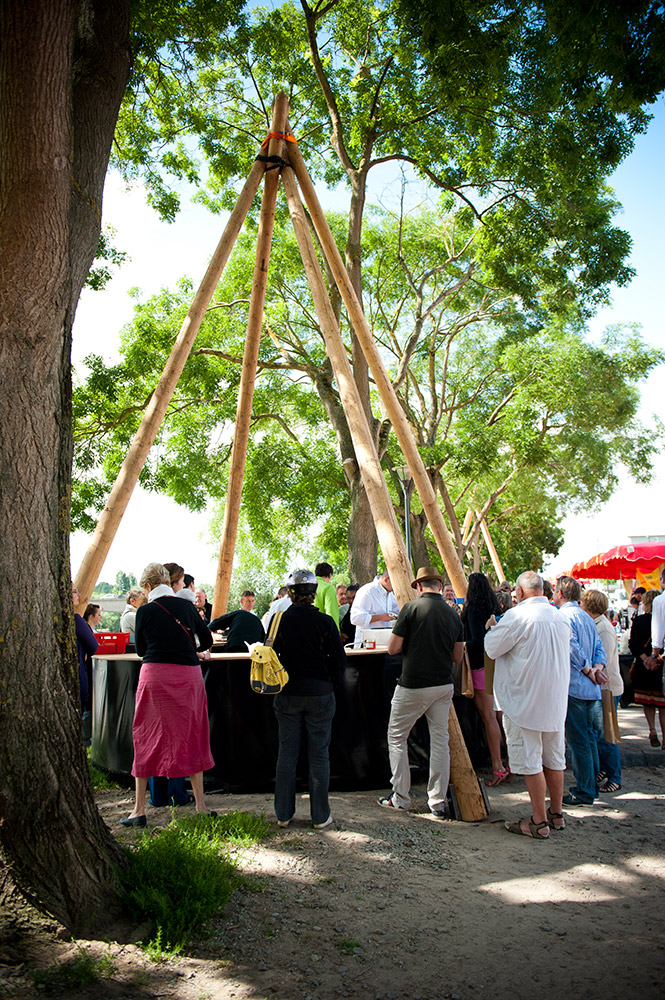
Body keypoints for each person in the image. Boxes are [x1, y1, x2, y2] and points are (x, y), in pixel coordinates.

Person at [121, 562, 215, 827]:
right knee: (193, 733)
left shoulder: (145, 611)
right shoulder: (186, 606)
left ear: (148, 586)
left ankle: (138, 809)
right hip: (188, 675)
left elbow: (140, 650)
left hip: (155, 676)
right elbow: (206, 641)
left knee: (146, 735)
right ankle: (201, 806)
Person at [485, 571, 571, 840]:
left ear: (519, 593)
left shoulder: (517, 616)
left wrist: (492, 627)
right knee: (554, 759)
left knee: (532, 761)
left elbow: (491, 648)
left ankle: (539, 820)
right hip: (554, 701)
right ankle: (556, 814)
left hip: (525, 701)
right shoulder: (559, 617)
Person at [378, 567, 464, 818]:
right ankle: (437, 802)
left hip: (413, 684)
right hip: (443, 685)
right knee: (440, 742)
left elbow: (393, 648)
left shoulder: (411, 609)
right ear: (439, 585)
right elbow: (458, 657)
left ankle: (400, 797)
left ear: (418, 586)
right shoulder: (453, 614)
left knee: (396, 737)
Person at [271, 569, 345, 830]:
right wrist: (331, 685)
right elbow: (339, 660)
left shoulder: (278, 620)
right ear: (314, 594)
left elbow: (271, 656)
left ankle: (283, 814)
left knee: (287, 754)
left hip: (288, 694)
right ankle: (320, 816)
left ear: (290, 594)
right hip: (320, 693)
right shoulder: (325, 622)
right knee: (319, 756)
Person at [553, 575, 608, 806]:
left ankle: (585, 789)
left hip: (576, 686)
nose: (554, 594)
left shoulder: (565, 616)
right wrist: (596, 667)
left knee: (579, 741)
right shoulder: (585, 617)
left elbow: (571, 647)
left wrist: (589, 669)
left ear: (561, 594)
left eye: (556, 591)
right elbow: (598, 648)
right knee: (589, 739)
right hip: (589, 687)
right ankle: (591, 787)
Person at [461, 573, 508, 785]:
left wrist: (461, 646)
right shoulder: (495, 608)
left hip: (480, 667)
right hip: (498, 665)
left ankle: (498, 766)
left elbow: (477, 640)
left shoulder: (472, 610)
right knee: (499, 717)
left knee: (488, 717)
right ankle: (509, 763)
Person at [580, 588, 623, 792]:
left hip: (607, 688)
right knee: (600, 734)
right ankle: (605, 770)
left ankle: (615, 776)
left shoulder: (603, 628)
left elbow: (602, 660)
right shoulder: (597, 624)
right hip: (602, 687)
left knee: (607, 735)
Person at [631, 588, 665, 748]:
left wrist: (645, 659)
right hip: (660, 664)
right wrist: (656, 658)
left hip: (644, 666)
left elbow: (633, 644)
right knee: (663, 704)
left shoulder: (639, 621)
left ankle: (652, 729)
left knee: (648, 703)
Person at [72, 583, 98, 744]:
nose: (79, 595)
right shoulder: (75, 619)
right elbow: (93, 645)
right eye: (75, 591)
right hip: (78, 675)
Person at [313, 562, 340, 626]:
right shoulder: (328, 588)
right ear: (330, 575)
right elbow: (331, 612)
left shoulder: (308, 586)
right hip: (322, 629)